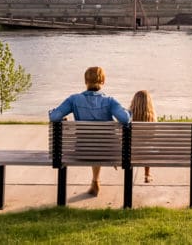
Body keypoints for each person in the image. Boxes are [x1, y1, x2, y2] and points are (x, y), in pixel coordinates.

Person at [48, 66, 130, 196]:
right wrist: (128, 111)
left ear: (85, 81)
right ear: (103, 82)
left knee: (92, 142)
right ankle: (95, 181)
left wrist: (53, 112)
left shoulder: (74, 100)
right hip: (108, 152)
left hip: (82, 151)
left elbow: (54, 117)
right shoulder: (110, 101)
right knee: (100, 142)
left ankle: (95, 181)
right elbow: (125, 119)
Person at [129, 90, 156, 183]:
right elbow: (153, 136)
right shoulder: (152, 117)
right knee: (148, 146)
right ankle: (147, 174)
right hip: (147, 151)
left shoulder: (129, 115)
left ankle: (129, 173)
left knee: (132, 146)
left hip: (131, 151)